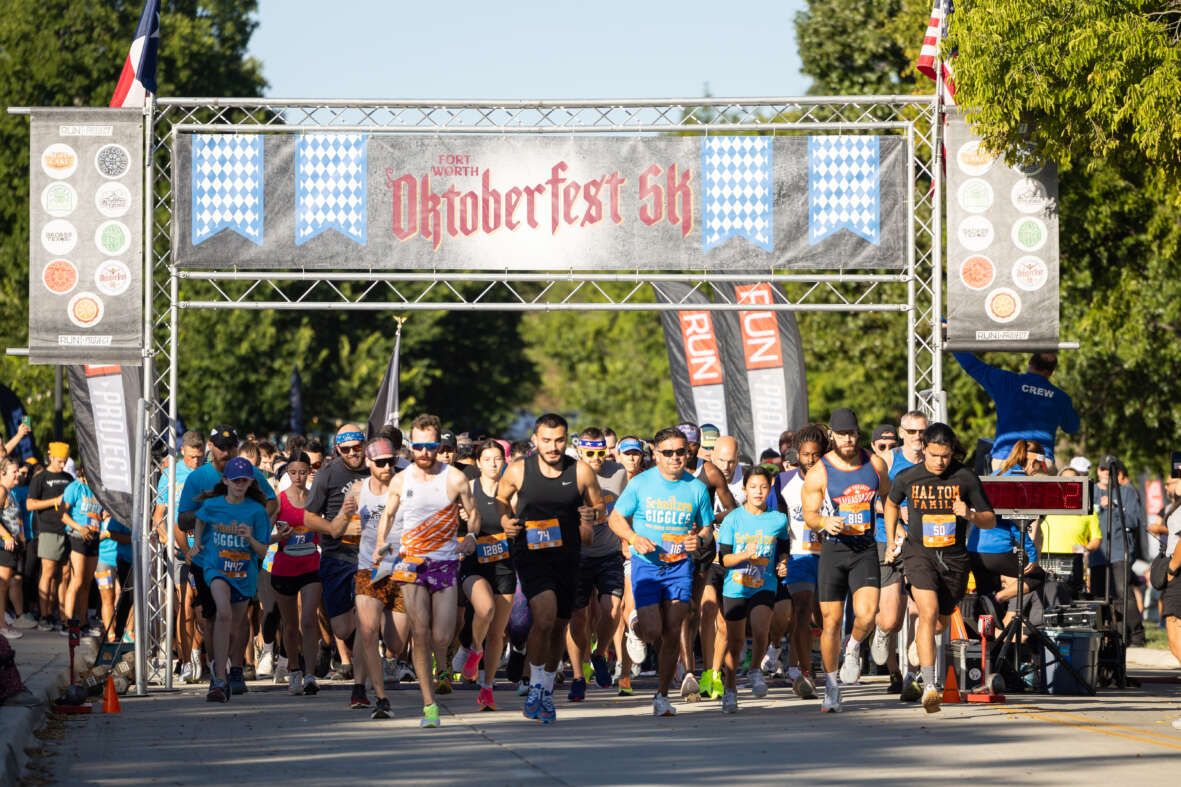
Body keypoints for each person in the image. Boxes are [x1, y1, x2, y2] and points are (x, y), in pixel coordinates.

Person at [495, 413, 602, 724]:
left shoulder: (579, 471)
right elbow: (500, 498)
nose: (553, 447)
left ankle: (544, 688)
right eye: (546, 440)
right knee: (543, 616)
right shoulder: (519, 469)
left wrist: (591, 515)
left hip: (568, 557)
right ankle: (534, 686)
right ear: (535, 440)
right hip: (531, 554)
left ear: (566, 440)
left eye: (559, 440)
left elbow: (599, 506)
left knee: (558, 626)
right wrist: (505, 519)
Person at [375, 414, 480, 729]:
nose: (424, 453)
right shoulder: (401, 480)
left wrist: (471, 536)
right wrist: (381, 543)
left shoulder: (455, 478)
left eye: (430, 446)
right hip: (411, 562)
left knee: (442, 635)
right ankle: (429, 703)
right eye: (418, 446)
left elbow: (473, 514)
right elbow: (388, 514)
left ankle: (442, 664)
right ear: (410, 446)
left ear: (438, 446)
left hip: (445, 563)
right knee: (420, 632)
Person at [885, 422, 996, 713]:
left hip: (954, 559)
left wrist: (969, 514)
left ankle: (920, 645)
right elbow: (891, 503)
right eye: (934, 455)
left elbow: (990, 519)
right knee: (928, 610)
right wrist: (892, 537)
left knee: (939, 623)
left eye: (945, 456)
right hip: (919, 554)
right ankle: (930, 686)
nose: (939, 462)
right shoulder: (908, 477)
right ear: (924, 449)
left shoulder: (965, 477)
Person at [609, 427, 713, 717]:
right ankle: (636, 629)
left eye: (681, 451)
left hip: (680, 567)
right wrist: (633, 538)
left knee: (673, 630)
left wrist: (699, 540)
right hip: (648, 566)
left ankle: (662, 695)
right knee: (653, 629)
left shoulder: (696, 488)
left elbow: (707, 527)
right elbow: (615, 518)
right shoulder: (641, 483)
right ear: (655, 455)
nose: (675, 457)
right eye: (668, 452)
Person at [802, 408, 890, 713]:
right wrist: (824, 522)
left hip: (864, 547)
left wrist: (894, 534)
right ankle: (831, 686)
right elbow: (810, 515)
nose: (848, 440)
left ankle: (852, 647)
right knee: (831, 622)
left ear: (858, 433)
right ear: (832, 435)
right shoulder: (820, 471)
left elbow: (889, 499)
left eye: (851, 433)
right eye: (841, 435)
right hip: (834, 549)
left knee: (868, 614)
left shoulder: (874, 464)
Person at [178, 425, 277, 694]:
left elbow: (272, 502)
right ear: (211, 447)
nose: (226, 452)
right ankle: (217, 671)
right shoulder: (198, 478)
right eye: (221, 447)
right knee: (214, 617)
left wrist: (259, 530)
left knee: (240, 618)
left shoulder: (248, 472)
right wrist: (210, 517)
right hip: (210, 561)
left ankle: (236, 669)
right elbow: (183, 519)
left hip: (244, 559)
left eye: (231, 447)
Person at [716, 466, 789, 713]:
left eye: (764, 487)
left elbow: (784, 548)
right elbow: (724, 560)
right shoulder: (732, 519)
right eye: (753, 487)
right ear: (744, 489)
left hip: (764, 584)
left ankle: (755, 669)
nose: (758, 492)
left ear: (770, 489)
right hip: (735, 587)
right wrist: (744, 555)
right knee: (735, 642)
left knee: (760, 629)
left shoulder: (778, 519)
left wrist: (783, 563)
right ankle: (730, 687)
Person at [302, 424, 368, 695]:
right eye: (346, 449)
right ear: (338, 449)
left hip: (368, 557)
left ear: (364, 445)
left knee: (367, 619)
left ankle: (362, 682)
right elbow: (308, 517)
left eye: (357, 447)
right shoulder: (328, 474)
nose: (352, 453)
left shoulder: (376, 469)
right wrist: (332, 528)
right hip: (337, 555)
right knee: (341, 628)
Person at [566, 427, 628, 701]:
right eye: (590, 454)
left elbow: (626, 509)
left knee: (612, 610)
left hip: (608, 553)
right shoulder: (570, 475)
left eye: (601, 452)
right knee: (578, 617)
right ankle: (578, 675)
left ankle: (600, 652)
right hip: (577, 555)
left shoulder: (618, 473)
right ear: (579, 451)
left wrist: (627, 537)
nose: (596, 458)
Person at [676, 422, 736, 702]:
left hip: (703, 551)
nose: (685, 452)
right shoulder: (666, 471)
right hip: (673, 549)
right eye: (681, 447)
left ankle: (703, 673)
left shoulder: (709, 471)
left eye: (691, 446)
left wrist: (709, 520)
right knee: (683, 609)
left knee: (698, 611)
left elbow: (732, 508)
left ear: (698, 446)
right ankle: (688, 672)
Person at [455, 440, 514, 711]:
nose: (493, 463)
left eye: (497, 459)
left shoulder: (510, 491)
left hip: (504, 565)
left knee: (498, 633)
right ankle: (475, 648)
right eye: (487, 459)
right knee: (485, 608)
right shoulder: (468, 489)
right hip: (474, 563)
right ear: (478, 463)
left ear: (504, 461)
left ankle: (487, 688)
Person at [872, 410, 928, 693]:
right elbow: (870, 501)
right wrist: (895, 512)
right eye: (912, 431)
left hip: (921, 543)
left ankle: (912, 676)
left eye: (922, 432)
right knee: (892, 617)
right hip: (888, 540)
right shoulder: (888, 460)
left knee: (919, 609)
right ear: (902, 433)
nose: (918, 437)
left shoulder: (933, 460)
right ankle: (884, 639)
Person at [349, 438, 404, 720]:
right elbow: (339, 523)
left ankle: (384, 663)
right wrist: (342, 523)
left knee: (396, 644)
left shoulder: (405, 486)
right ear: (368, 462)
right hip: (368, 568)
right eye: (380, 462)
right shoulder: (358, 490)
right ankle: (380, 698)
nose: (386, 467)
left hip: (402, 570)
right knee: (368, 630)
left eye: (390, 461)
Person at [269, 452, 332, 699]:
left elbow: (325, 531)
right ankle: (294, 670)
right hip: (285, 567)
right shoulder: (279, 501)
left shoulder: (315, 500)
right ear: (287, 473)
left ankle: (310, 675)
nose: (298, 477)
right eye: (293, 472)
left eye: (302, 472)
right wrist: (278, 537)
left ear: (309, 472)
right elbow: (263, 535)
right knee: (291, 625)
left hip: (310, 566)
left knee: (308, 620)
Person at [953, 351, 1080, 470]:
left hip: (1006, 458)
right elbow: (1072, 427)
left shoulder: (1006, 381)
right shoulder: (1061, 398)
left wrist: (952, 344)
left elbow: (973, 366)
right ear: (1051, 372)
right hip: (1040, 461)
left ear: (1030, 363)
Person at [969, 441, 1046, 628]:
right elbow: (1017, 525)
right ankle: (999, 597)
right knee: (1037, 576)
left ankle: (989, 644)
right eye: (1039, 467)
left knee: (988, 608)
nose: (1036, 472)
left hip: (974, 548)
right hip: (996, 549)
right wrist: (1032, 555)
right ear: (1033, 461)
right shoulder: (1019, 481)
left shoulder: (996, 475)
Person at [778, 424, 829, 700]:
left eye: (816, 454)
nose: (810, 460)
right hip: (799, 554)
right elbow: (777, 521)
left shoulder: (832, 477)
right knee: (801, 609)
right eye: (806, 454)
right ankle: (805, 673)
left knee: (826, 616)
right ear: (797, 454)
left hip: (829, 554)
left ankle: (829, 667)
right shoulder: (783, 482)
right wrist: (781, 555)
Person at [153, 431, 205, 682]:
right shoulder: (170, 474)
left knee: (202, 609)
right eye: (192, 457)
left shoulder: (209, 474)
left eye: (200, 457)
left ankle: (196, 653)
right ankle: (185, 661)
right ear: (182, 451)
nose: (196, 461)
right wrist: (166, 537)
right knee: (185, 604)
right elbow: (158, 515)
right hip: (179, 549)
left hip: (204, 549)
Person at [1090, 457, 1146, 646]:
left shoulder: (1126, 492)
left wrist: (1114, 507)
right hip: (1097, 553)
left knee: (1123, 594)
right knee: (1099, 596)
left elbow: (1134, 521)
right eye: (1102, 469)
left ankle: (1136, 634)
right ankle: (1110, 637)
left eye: (1110, 470)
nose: (1106, 473)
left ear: (1116, 473)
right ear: (1097, 471)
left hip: (1119, 551)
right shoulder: (1091, 492)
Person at [27, 442, 74, 631]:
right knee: (47, 572)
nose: (62, 465)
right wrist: (54, 501)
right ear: (51, 457)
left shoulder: (69, 478)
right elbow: (30, 504)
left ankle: (63, 616)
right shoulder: (41, 478)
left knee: (65, 574)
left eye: (65, 461)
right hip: (49, 530)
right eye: (59, 461)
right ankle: (44, 615)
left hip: (68, 530)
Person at [1039, 467, 1101, 606]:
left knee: (1067, 601)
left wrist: (1085, 548)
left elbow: (1096, 539)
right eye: (1064, 480)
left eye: (1072, 480)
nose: (1068, 483)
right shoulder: (1046, 506)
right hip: (1045, 561)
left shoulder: (1088, 510)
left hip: (1074, 565)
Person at [59, 465, 103, 636]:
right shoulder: (74, 487)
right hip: (77, 537)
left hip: (94, 537)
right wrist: (80, 528)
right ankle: (68, 622)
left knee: (87, 583)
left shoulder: (97, 489)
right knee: (76, 580)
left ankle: (83, 622)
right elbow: (62, 514)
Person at [0, 457, 26, 640]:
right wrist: (7, 536)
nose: (18, 474)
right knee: (2, 586)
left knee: (4, 585)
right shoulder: (1, 490)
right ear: (2, 473)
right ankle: (1, 626)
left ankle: (2, 622)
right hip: (3, 546)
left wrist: (20, 537)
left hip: (11, 546)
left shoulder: (10, 491)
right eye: (14, 472)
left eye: (18, 471)